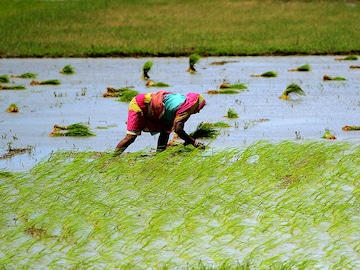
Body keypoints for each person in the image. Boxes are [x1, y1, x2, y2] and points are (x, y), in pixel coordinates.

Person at [114, 90, 206, 156]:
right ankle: (113, 158)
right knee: (131, 137)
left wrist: (188, 140)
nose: (198, 111)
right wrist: (194, 142)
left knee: (165, 130)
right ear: (194, 104)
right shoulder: (183, 109)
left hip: (152, 107)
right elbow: (179, 130)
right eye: (198, 108)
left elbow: (176, 128)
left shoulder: (183, 103)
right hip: (140, 105)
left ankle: (159, 155)